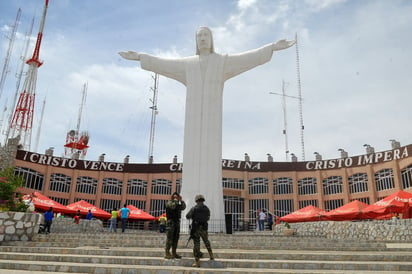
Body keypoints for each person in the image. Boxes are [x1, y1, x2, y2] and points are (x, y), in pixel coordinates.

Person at [119, 27, 295, 229]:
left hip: (212, 129)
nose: (202, 39)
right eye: (199, 36)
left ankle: (214, 226)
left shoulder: (222, 61)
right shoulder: (188, 64)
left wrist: (271, 47)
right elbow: (162, 63)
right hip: (192, 128)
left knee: (211, 169)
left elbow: (249, 58)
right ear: (195, 40)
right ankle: (189, 227)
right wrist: (141, 57)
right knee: (191, 163)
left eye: (206, 35)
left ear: (211, 39)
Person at [186, 194, 214, 267]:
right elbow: (208, 218)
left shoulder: (194, 208)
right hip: (204, 228)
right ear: (203, 200)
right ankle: (211, 255)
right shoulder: (207, 208)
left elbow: (187, 216)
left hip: (196, 229)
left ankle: (197, 262)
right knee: (206, 242)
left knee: (196, 245)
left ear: (196, 201)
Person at [164, 192, 186, 259]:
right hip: (171, 223)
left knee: (175, 239)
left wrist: (181, 200)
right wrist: (176, 200)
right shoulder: (169, 203)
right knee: (170, 238)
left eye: (177, 197)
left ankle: (174, 253)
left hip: (176, 222)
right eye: (175, 197)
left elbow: (183, 207)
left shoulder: (178, 204)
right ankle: (167, 253)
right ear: (172, 197)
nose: (176, 198)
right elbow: (172, 207)